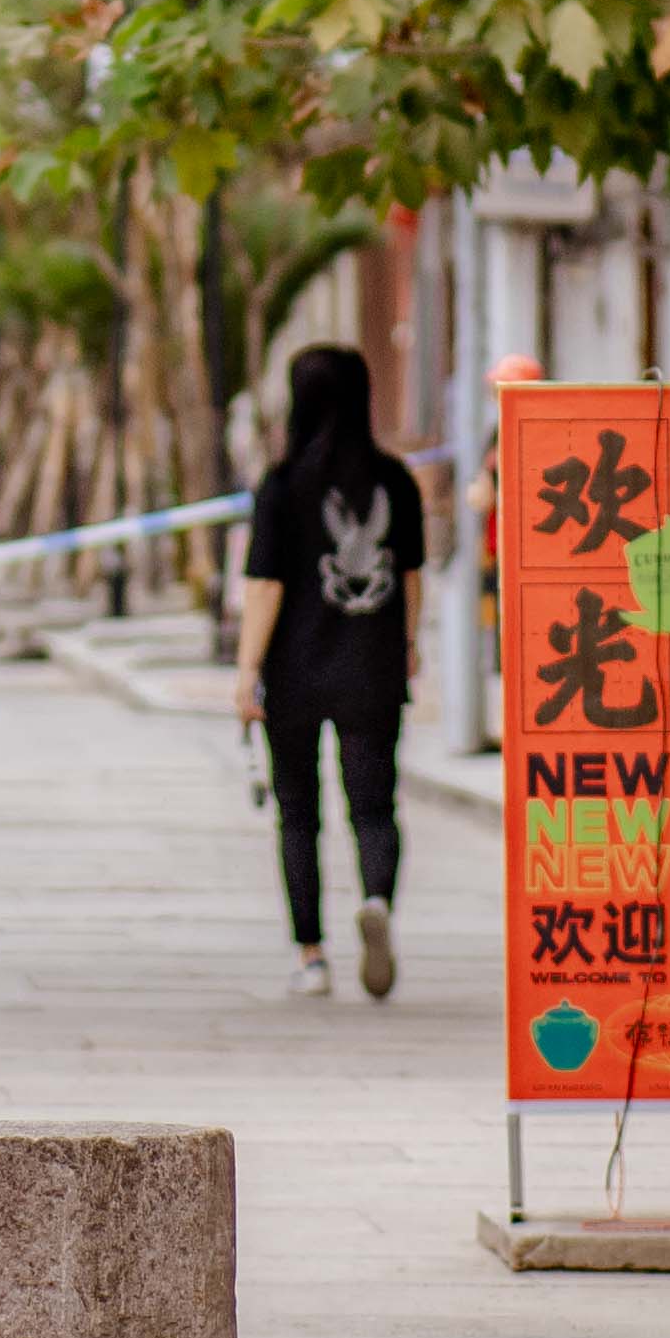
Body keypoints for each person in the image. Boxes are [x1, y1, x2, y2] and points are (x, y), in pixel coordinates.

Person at [233, 343, 431, 1003]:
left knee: (298, 815)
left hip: (294, 672)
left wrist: (246, 670)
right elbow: (409, 576)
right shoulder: (395, 480)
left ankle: (312, 958)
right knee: (374, 808)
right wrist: (405, 644)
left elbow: (264, 587)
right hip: (371, 665)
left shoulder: (283, 485)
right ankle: (375, 899)